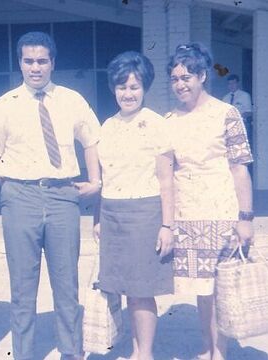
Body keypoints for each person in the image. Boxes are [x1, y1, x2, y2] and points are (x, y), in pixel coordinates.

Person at [0, 31, 101, 360]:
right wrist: (13, 186)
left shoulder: (72, 100)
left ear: (52, 63)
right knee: (22, 287)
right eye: (29, 61)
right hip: (20, 196)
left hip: (63, 195)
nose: (36, 67)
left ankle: (71, 353)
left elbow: (91, 140)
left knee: (66, 285)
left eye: (42, 61)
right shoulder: (3, 106)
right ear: (20, 63)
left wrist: (96, 179)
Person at [167, 43, 253, 360]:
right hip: (187, 214)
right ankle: (208, 347)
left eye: (186, 77)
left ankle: (221, 351)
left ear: (202, 75)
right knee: (202, 290)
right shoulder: (169, 120)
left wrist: (245, 218)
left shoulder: (226, 114)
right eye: (175, 78)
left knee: (222, 289)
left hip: (221, 211)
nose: (180, 84)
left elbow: (240, 168)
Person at [95, 51, 174, 360]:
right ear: (113, 88)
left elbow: (167, 180)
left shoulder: (156, 124)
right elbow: (106, 177)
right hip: (112, 212)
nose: (127, 94)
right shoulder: (107, 126)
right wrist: (98, 219)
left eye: (134, 87)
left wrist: (167, 226)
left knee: (142, 290)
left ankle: (146, 354)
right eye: (121, 87)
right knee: (122, 287)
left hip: (145, 213)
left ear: (145, 88)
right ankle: (135, 350)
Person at [222, 74, 253, 144]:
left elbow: (249, 112)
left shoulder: (245, 96)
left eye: (233, 83)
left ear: (237, 83)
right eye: (229, 84)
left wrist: (237, 117)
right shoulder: (225, 98)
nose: (231, 85)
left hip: (241, 125)